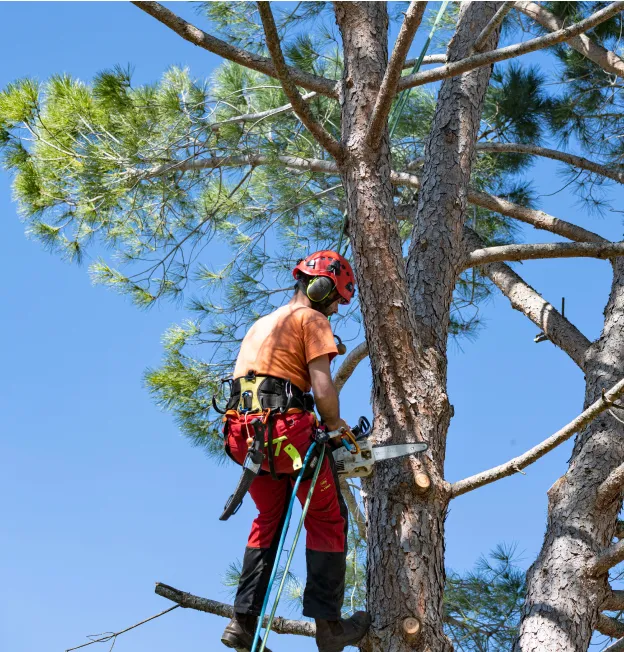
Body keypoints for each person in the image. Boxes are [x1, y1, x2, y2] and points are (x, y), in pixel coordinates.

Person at [220, 250, 371, 652]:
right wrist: (336, 426)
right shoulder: (312, 318)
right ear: (321, 287)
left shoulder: (262, 323)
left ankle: (243, 621)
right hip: (283, 431)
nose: (336, 308)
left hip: (243, 436)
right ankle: (329, 628)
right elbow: (322, 392)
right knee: (327, 517)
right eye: (336, 298)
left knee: (269, 518)